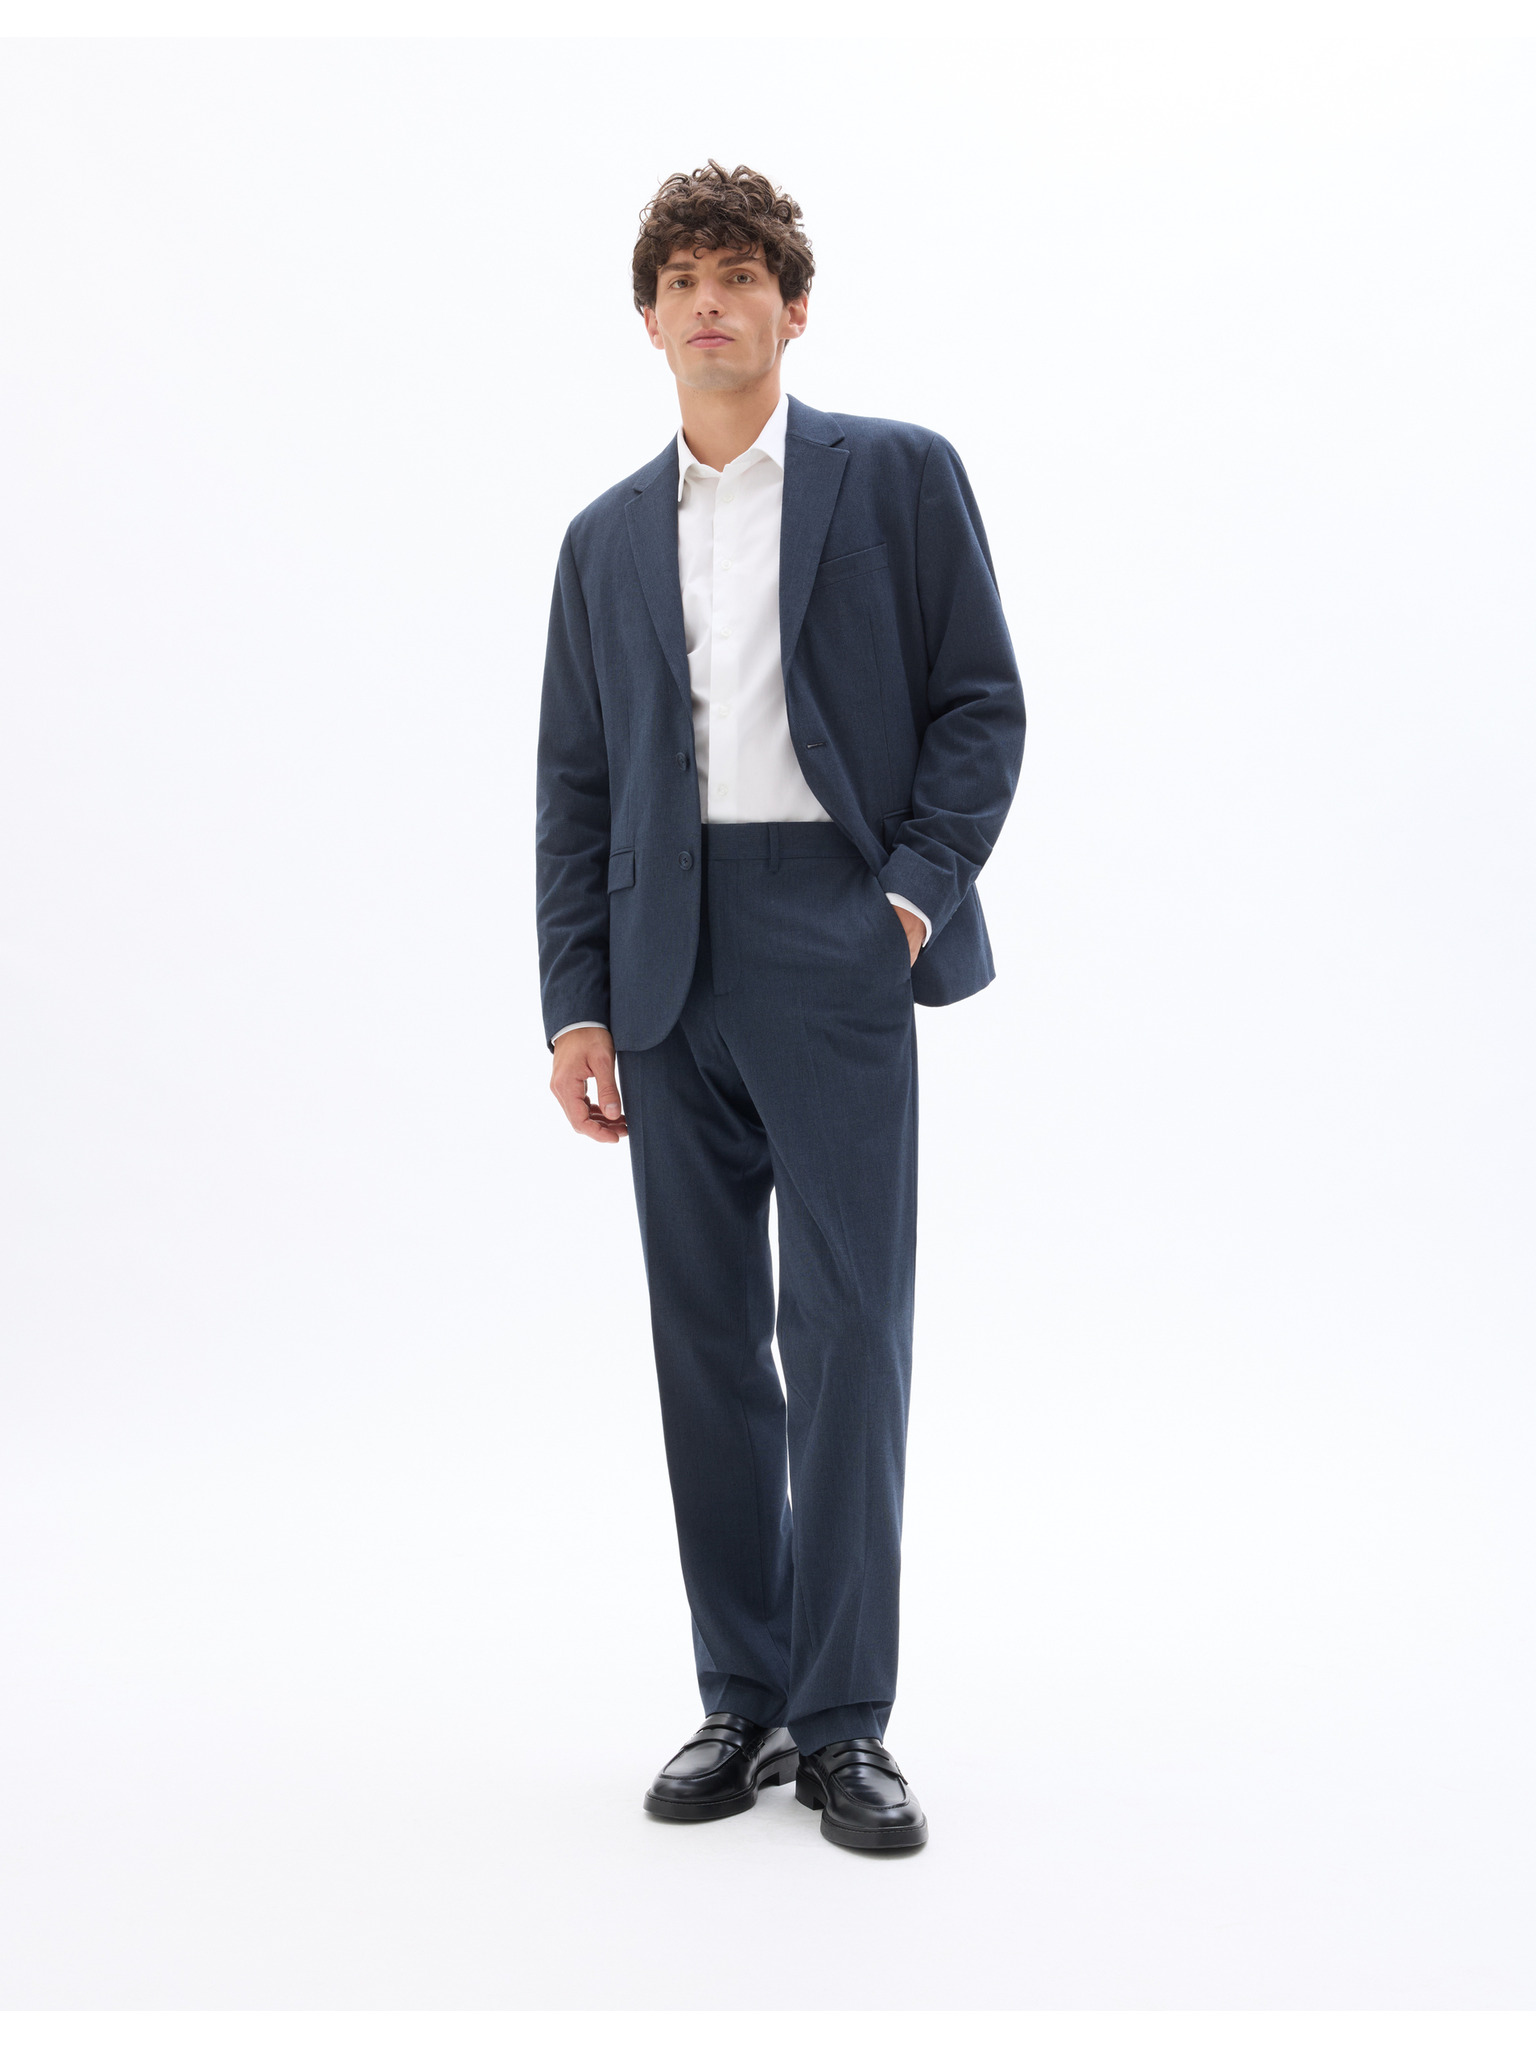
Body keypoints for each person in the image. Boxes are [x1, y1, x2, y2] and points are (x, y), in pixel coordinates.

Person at [535, 161, 1024, 1852]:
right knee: (703, 1340)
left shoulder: (894, 476)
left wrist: (907, 896)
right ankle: (739, 1696)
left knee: (847, 1333)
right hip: (663, 963)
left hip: (834, 932)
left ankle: (844, 1721)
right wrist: (576, 1005)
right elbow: (575, 784)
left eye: (739, 274)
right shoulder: (603, 538)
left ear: (793, 308)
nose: (709, 302)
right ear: (649, 320)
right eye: (680, 279)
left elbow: (980, 702)